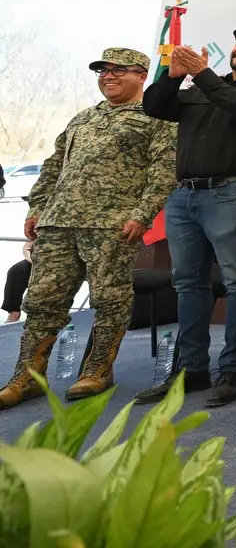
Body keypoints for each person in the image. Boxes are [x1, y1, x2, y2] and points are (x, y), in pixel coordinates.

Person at [0, 48, 176, 409]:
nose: (108, 77)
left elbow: (164, 170)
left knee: (109, 300)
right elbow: (52, 165)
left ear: (142, 75)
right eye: (102, 71)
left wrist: (142, 214)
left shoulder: (157, 117)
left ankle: (97, 370)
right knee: (42, 300)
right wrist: (38, 207)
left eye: (118, 71)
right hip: (58, 223)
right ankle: (27, 378)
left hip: (111, 225)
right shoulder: (83, 118)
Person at [137, 28, 236, 407]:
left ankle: (231, 370)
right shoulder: (208, 85)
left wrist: (202, 74)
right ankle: (192, 370)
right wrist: (173, 76)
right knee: (188, 284)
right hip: (185, 194)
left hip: (234, 192)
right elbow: (155, 107)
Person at [4, 244, 32, 324]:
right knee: (17, 270)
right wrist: (33, 260)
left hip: (63, 259)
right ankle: (14, 312)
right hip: (39, 259)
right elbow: (28, 246)